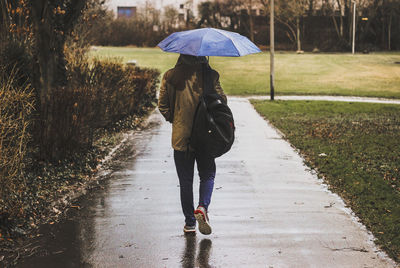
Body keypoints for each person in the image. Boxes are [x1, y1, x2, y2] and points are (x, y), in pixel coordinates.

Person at [158, 54, 226, 235]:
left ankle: (189, 223)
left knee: (185, 181)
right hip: (206, 136)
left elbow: (162, 106)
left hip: (182, 138)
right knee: (208, 174)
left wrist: (176, 119)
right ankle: (202, 207)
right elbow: (222, 102)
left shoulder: (170, 76)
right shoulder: (210, 76)